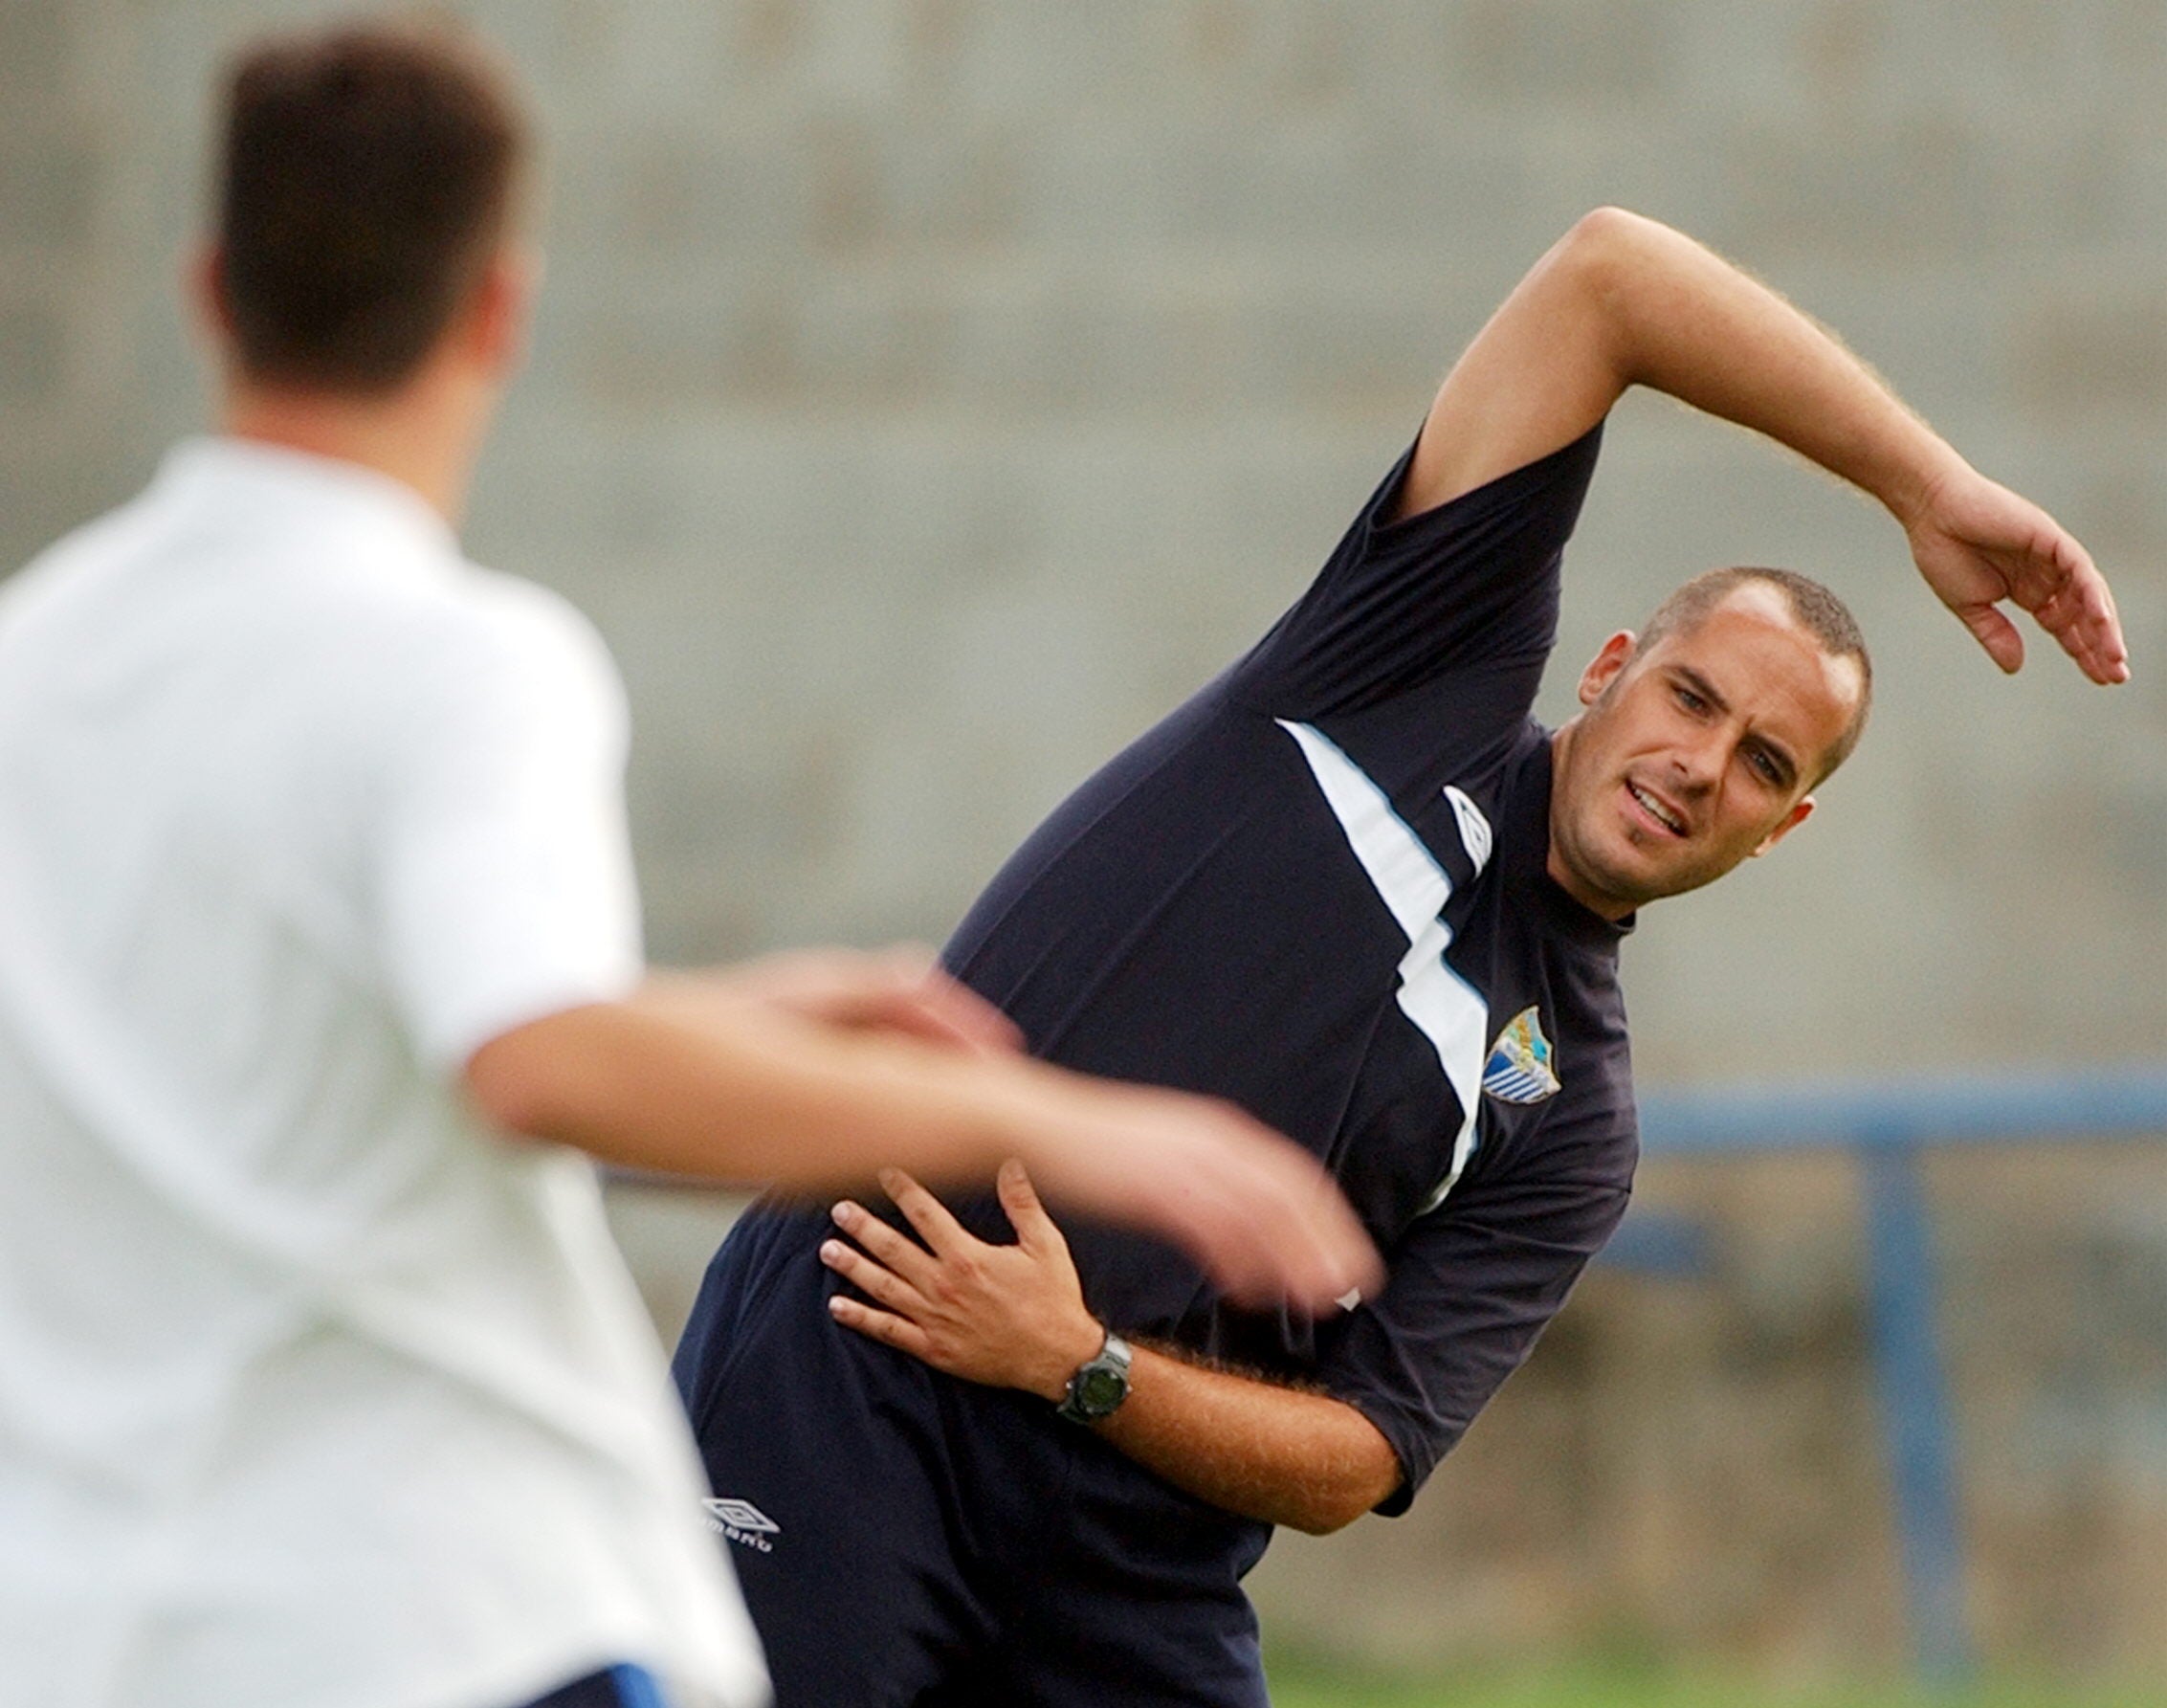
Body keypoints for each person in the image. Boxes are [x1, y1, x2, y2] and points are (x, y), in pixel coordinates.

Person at [0, 22, 1379, 1708]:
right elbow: (536, 1058)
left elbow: (284, 1032)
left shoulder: (37, 655)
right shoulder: (463, 659)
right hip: (419, 1625)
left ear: (206, 289)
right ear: (499, 307)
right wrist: (1064, 1122)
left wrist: (736, 1012)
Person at [672, 206, 2128, 1707]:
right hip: (867, 1348)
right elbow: (1609, 276)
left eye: (1761, 761)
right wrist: (1927, 484)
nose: (1701, 762)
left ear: (1782, 829)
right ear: (1609, 666)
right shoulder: (1402, 671)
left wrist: (1074, 1355)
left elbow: (1355, 1456)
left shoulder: (1573, 1119)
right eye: (1690, 698)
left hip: (1119, 1546)